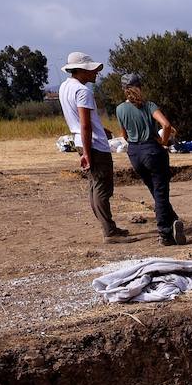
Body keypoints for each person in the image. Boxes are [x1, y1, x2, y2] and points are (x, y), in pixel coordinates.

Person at [60, 52, 129, 242]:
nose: (95, 73)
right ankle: (109, 231)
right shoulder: (83, 91)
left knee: (93, 186)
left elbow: (80, 120)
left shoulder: (65, 87)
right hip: (94, 145)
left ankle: (109, 227)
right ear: (81, 70)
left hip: (82, 141)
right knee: (101, 187)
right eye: (91, 70)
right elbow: (85, 124)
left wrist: (100, 129)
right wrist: (89, 153)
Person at [115, 73, 186, 247]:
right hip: (152, 150)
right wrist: (163, 142)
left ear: (124, 90)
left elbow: (124, 135)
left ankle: (173, 219)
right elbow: (167, 125)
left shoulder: (119, 109)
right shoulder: (149, 106)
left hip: (134, 153)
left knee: (155, 191)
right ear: (140, 86)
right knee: (161, 192)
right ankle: (165, 233)